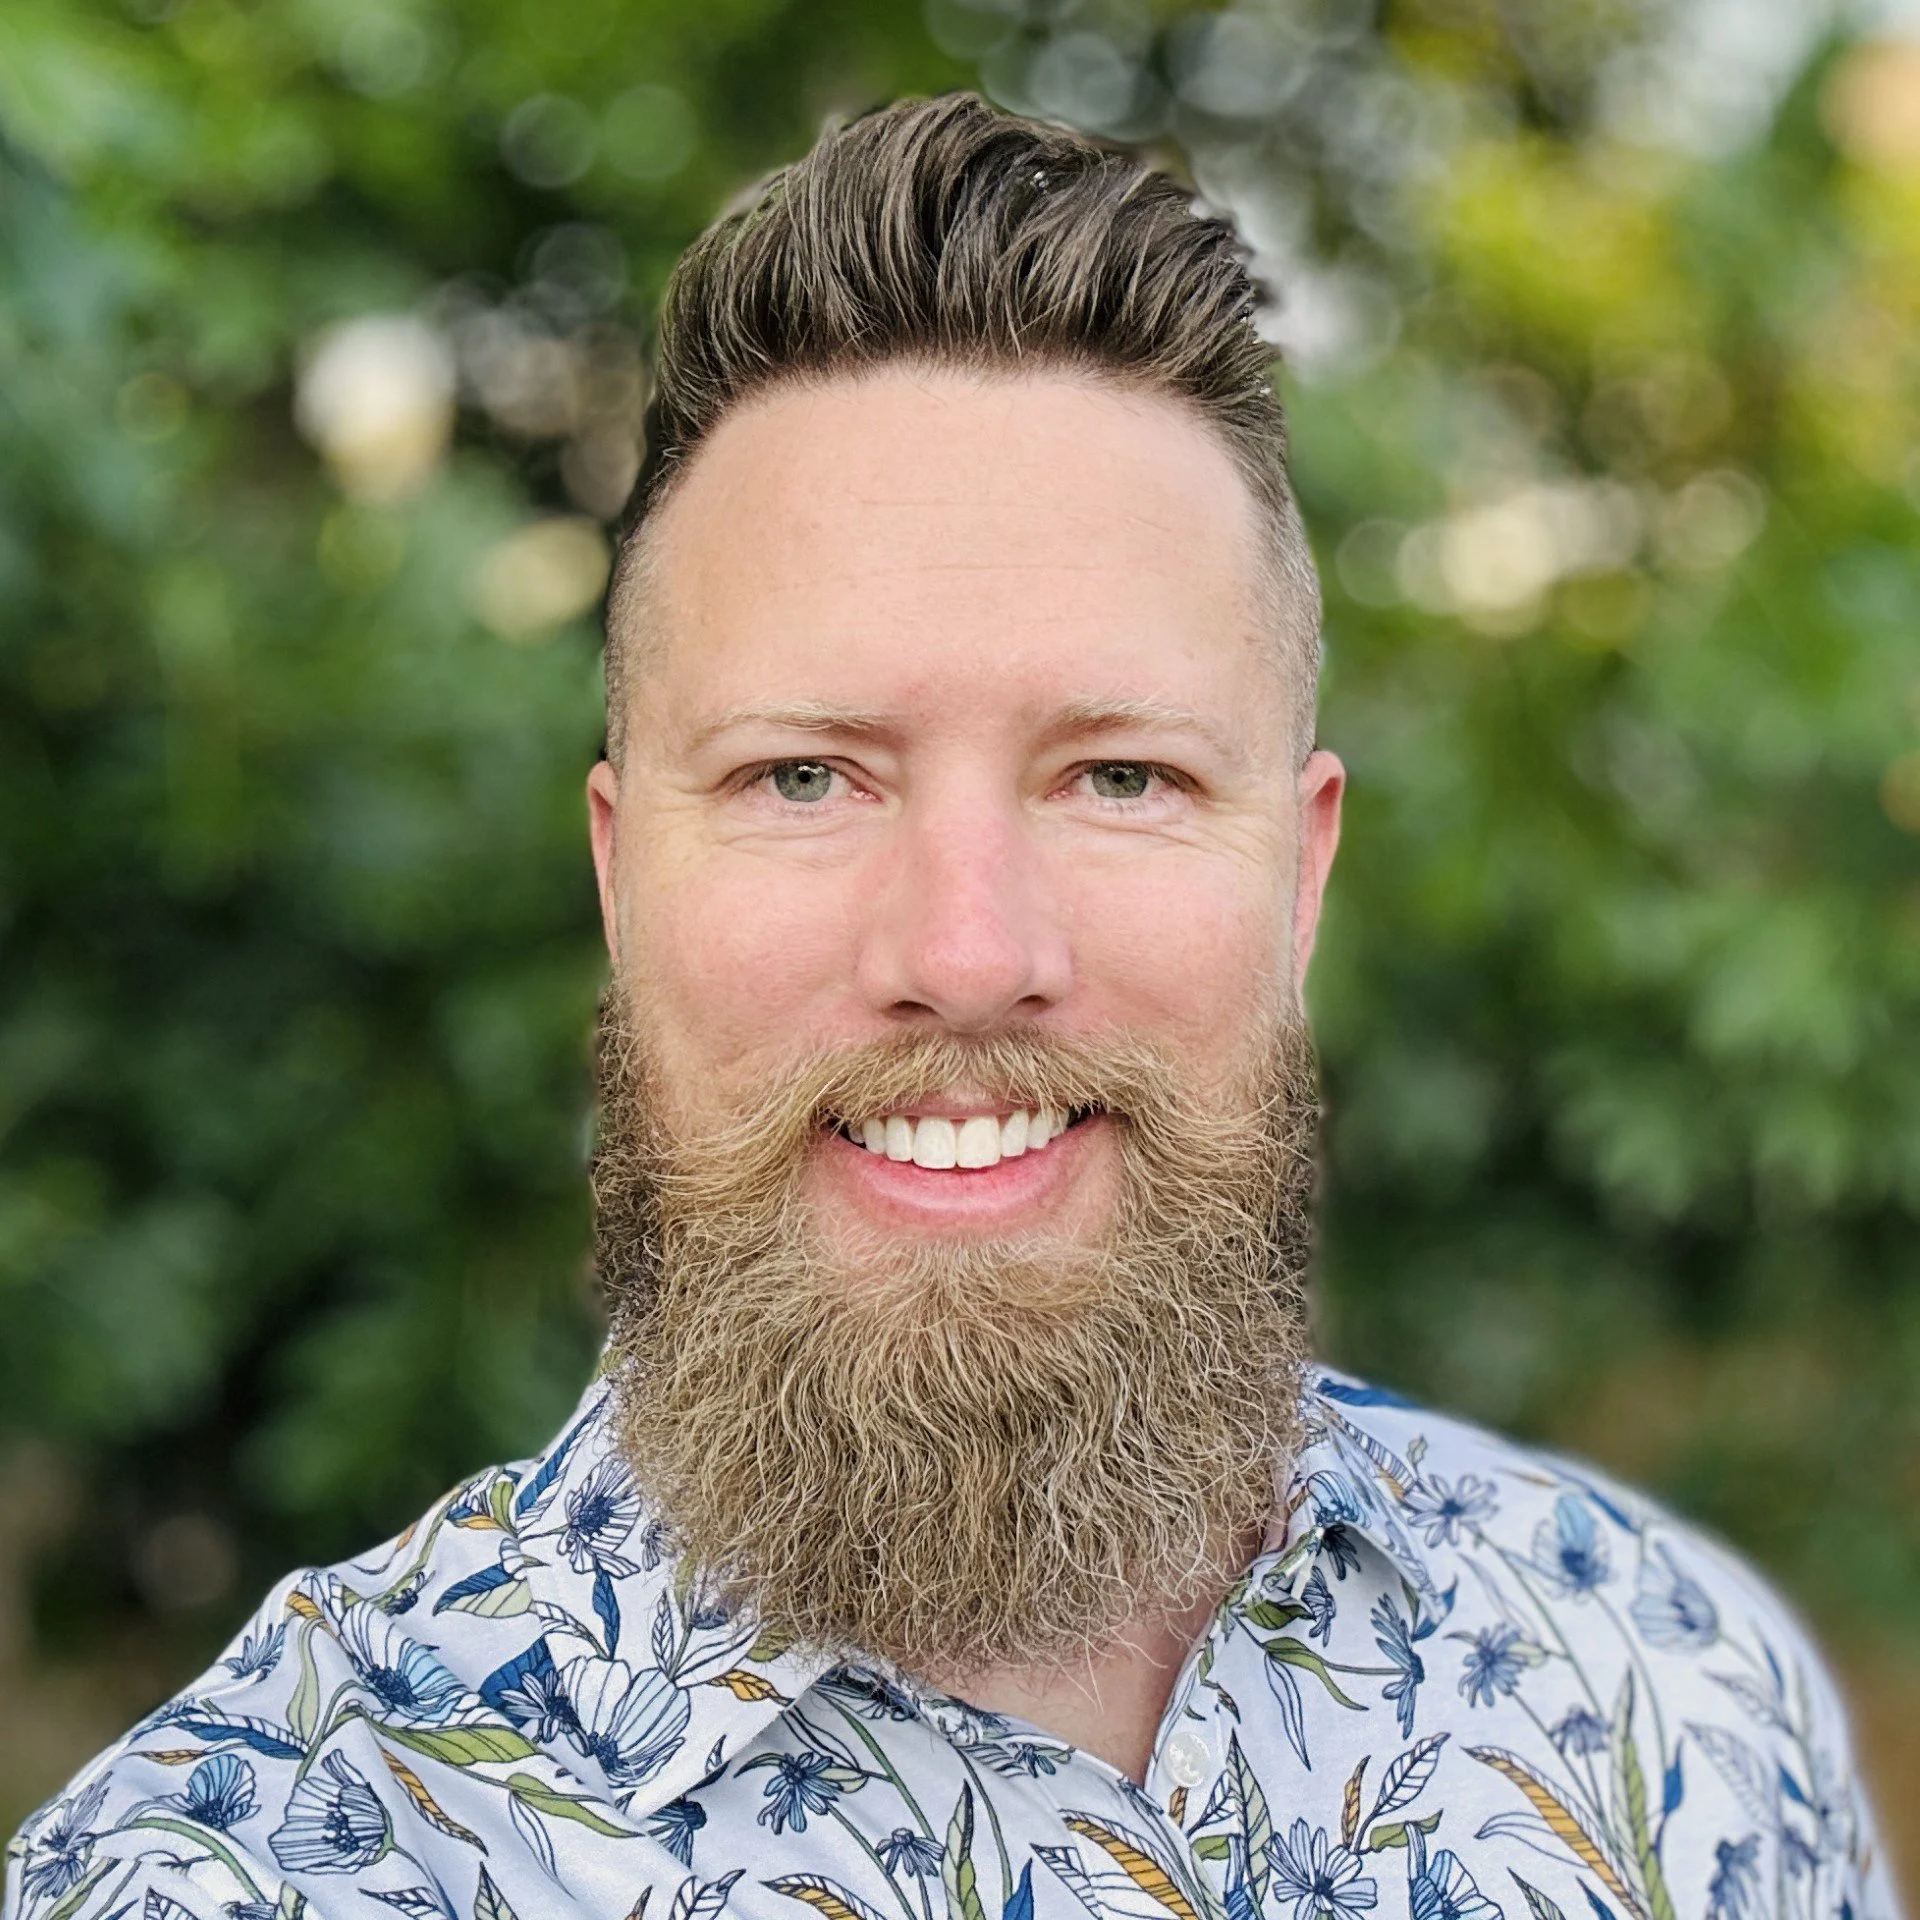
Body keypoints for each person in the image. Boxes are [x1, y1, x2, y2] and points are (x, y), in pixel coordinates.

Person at [4, 91, 1897, 1920]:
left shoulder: (1676, 1686)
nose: (971, 948)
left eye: (1121, 778)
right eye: (807, 778)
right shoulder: (247, 1867)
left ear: (1302, 877)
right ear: (618, 874)